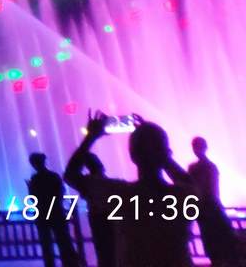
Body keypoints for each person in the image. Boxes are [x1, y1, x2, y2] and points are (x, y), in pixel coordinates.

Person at [66, 111, 195, 267]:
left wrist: (91, 136)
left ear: (132, 155)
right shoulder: (183, 195)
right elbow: (190, 183)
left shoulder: (121, 195)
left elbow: (71, 175)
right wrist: (161, 151)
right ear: (167, 152)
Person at [188, 137, 241, 267]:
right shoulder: (210, 167)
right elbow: (212, 189)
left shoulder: (196, 168)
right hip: (211, 209)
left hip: (205, 210)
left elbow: (196, 188)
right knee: (222, 243)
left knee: (212, 244)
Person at [27, 152, 81, 267]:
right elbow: (61, 192)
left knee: (46, 244)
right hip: (57, 212)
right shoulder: (54, 176)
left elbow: (33, 198)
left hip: (42, 214)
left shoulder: (35, 179)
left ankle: (50, 264)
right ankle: (70, 263)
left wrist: (30, 187)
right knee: (64, 241)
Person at [64, 149, 117, 267]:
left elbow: (69, 175)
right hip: (108, 217)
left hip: (97, 216)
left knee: (103, 250)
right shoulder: (108, 182)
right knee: (111, 249)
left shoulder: (87, 183)